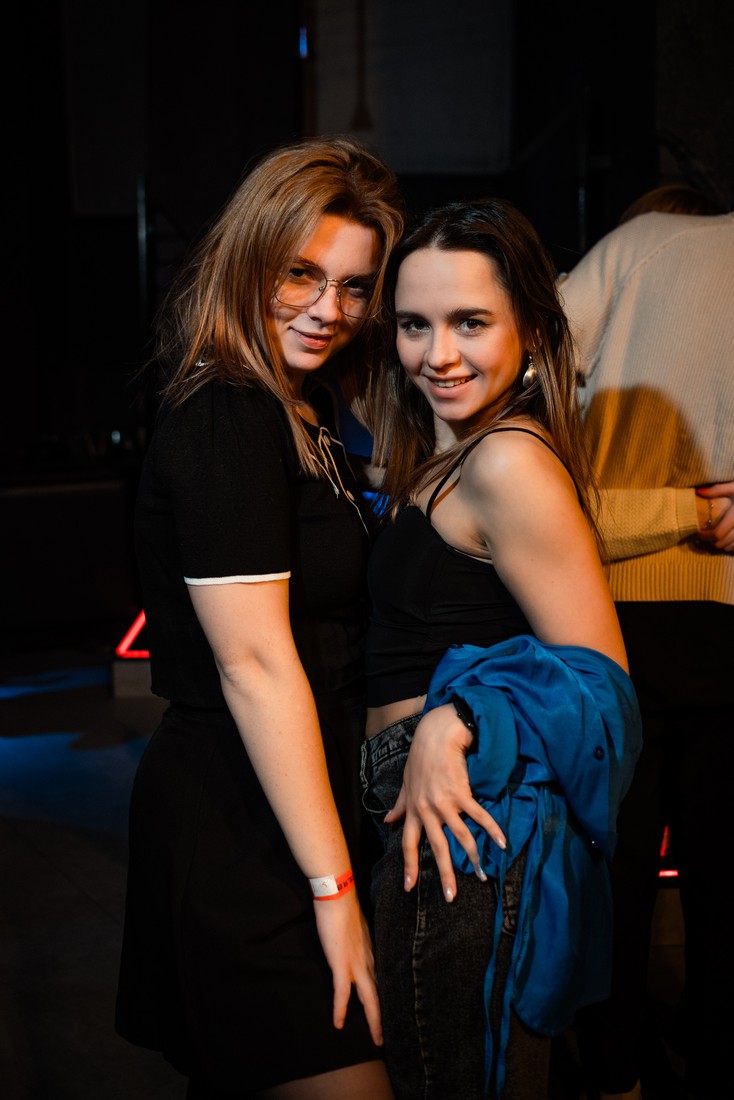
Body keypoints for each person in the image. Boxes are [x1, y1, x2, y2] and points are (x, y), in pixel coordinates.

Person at [114, 135, 405, 1099]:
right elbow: (255, 667)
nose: (330, 309)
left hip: (298, 804)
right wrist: (333, 888)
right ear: (249, 258)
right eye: (302, 274)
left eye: (354, 286)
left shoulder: (300, 405)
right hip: (243, 822)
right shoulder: (227, 413)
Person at [359, 198, 643, 1100]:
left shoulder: (507, 461)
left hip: (466, 828)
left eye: (470, 322)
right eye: (414, 324)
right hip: (429, 817)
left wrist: (462, 721)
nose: (437, 354)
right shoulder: (452, 451)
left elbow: (608, 695)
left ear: (530, 326)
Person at [558, 190, 734, 1100]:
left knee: (615, 871)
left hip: (622, 612)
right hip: (725, 618)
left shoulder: (637, 250)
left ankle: (614, 1070)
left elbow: (525, 353)